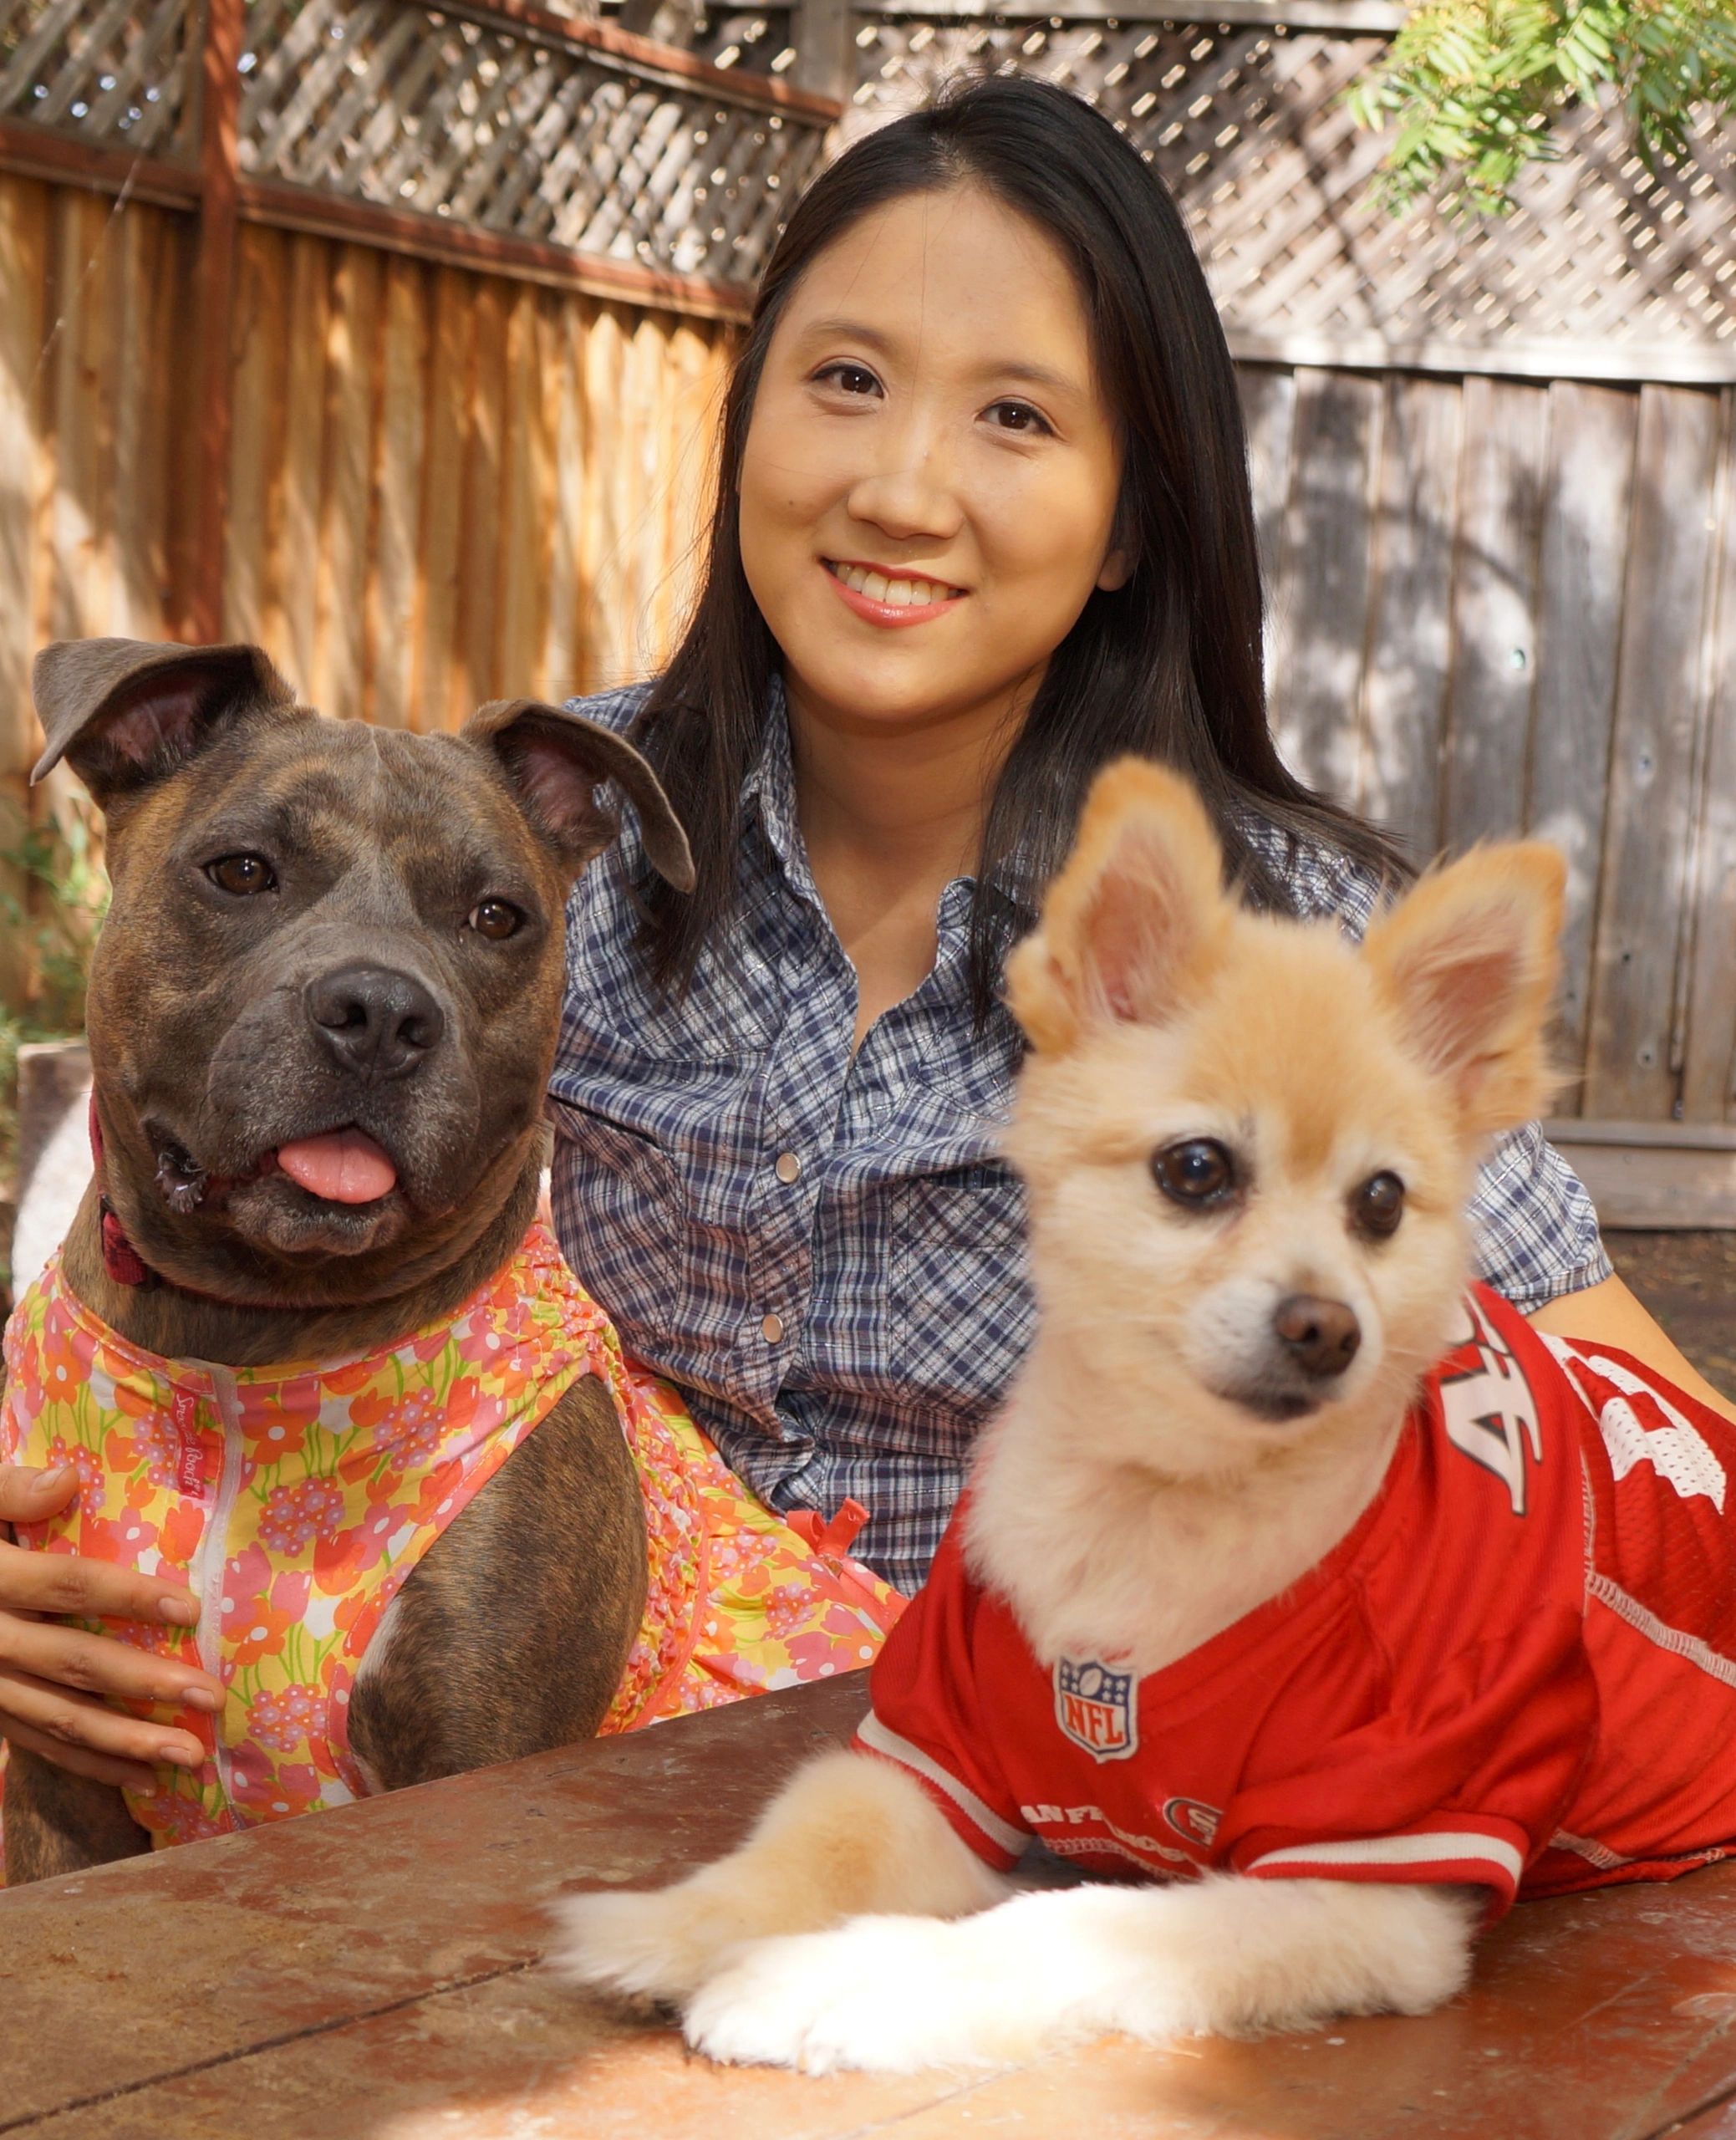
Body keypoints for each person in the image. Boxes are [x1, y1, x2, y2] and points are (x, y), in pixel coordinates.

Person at [1, 76, 1726, 1796]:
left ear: (1133, 517)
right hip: (530, 1826)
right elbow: (132, 1240)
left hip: (1069, 1821)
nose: (904, 488)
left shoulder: (1278, 948)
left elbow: (1649, 1463)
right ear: (745, 423)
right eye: (845, 382)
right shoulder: (536, 840)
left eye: (1016, 419)